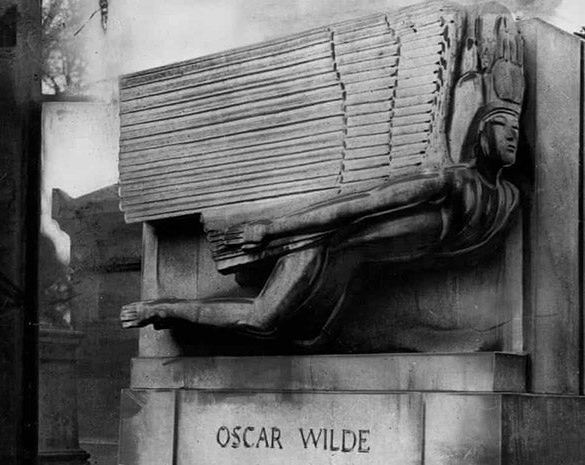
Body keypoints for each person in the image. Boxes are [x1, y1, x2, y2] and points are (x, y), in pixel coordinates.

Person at [120, 10, 525, 347]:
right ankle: (163, 309)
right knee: (262, 319)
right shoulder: (450, 183)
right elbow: (361, 205)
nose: (513, 136)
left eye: (517, 129)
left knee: (306, 336)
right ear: (481, 130)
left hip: (350, 264)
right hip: (317, 240)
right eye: (503, 125)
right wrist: (272, 229)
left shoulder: (505, 201)